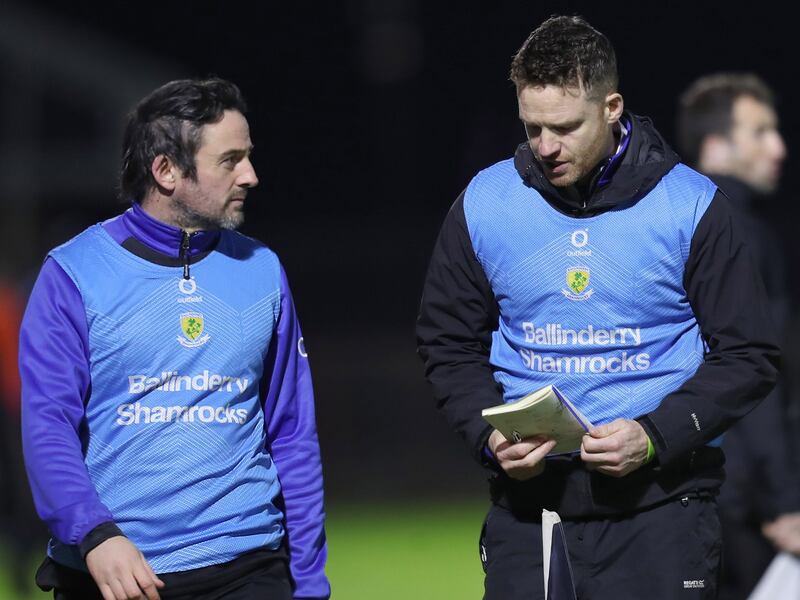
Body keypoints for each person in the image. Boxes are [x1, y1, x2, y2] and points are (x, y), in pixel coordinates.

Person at [416, 15, 780, 600]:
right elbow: (446, 342)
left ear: (612, 107)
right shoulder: (484, 202)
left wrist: (655, 433)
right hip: (530, 515)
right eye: (532, 128)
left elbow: (750, 355)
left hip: (663, 513)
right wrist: (488, 437)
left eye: (564, 127)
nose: (545, 147)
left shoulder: (690, 205)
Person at [19, 78, 330, 600]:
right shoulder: (73, 275)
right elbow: (47, 426)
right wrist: (94, 534)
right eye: (230, 160)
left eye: (248, 156)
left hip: (250, 568)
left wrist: (310, 583)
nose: (251, 175)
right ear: (166, 171)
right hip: (114, 573)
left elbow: (293, 435)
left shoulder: (262, 270)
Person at [677, 72, 800, 600]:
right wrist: (783, 501)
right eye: (760, 132)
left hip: (681, 487)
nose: (779, 147)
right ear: (715, 146)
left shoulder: (669, 226)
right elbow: (754, 377)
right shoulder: (743, 235)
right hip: (744, 502)